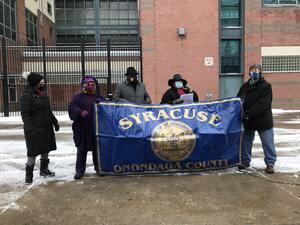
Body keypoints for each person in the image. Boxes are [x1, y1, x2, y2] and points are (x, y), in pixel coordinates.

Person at [20, 72, 59, 184]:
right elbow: (25, 115)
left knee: (45, 149)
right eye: (41, 82)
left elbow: (48, 110)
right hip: (34, 128)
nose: (43, 84)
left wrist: (54, 121)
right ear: (35, 83)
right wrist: (30, 129)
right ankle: (29, 175)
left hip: (46, 127)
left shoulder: (42, 94)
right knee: (32, 152)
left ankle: (44, 169)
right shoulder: (27, 96)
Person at [237, 64, 277, 174]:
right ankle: (245, 162)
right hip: (248, 120)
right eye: (252, 70)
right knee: (246, 142)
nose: (254, 72)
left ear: (260, 72)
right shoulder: (245, 86)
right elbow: (238, 100)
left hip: (263, 120)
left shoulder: (266, 86)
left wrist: (250, 113)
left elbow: (263, 104)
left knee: (267, 142)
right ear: (249, 72)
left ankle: (270, 163)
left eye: (256, 70)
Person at [68, 76, 105, 179]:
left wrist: (101, 104)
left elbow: (107, 109)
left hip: (96, 127)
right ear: (83, 85)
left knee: (97, 149)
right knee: (81, 149)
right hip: (82, 127)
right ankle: (80, 171)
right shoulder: (78, 97)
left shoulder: (100, 97)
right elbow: (72, 107)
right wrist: (80, 111)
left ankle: (99, 168)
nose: (90, 86)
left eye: (92, 84)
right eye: (88, 84)